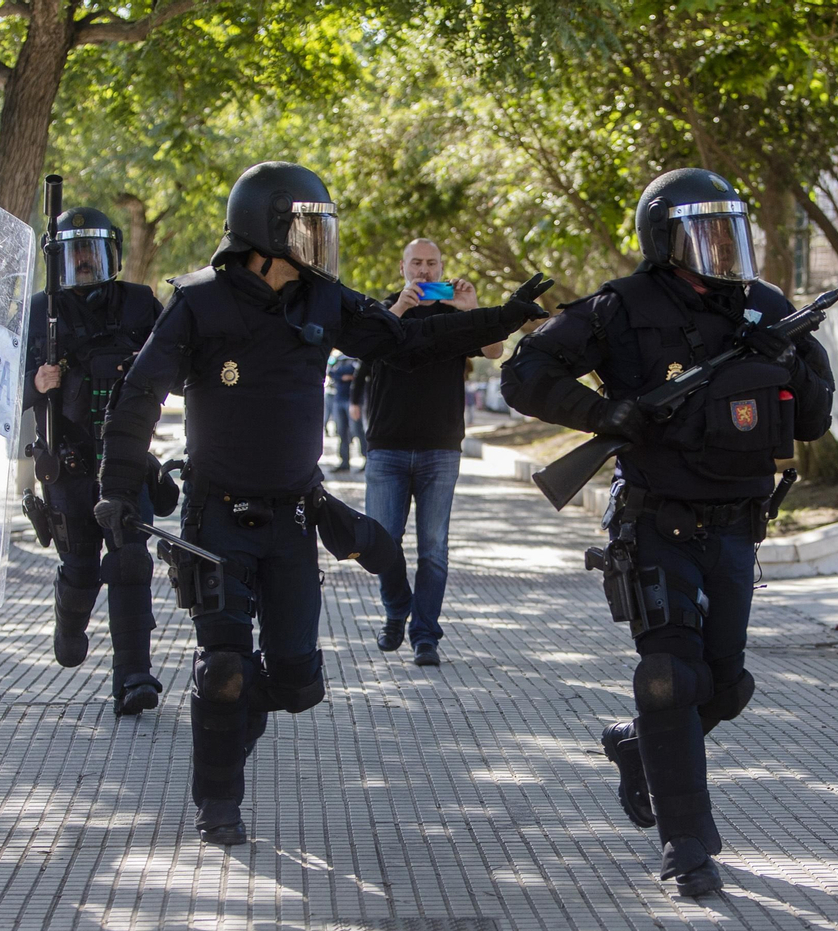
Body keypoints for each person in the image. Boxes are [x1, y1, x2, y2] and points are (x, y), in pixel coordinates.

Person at [94, 161, 553, 846]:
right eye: (306, 226)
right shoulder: (197, 302)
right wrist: (114, 487)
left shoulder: (323, 300)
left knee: (296, 683)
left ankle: (226, 724)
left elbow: (408, 339)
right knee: (221, 667)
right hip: (216, 519)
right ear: (264, 230)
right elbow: (139, 394)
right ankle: (217, 799)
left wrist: (506, 317)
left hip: (294, 518)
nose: (317, 240)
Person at [501, 168, 835, 897]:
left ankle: (636, 747)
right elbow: (523, 373)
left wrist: (787, 359)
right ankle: (686, 843)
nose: (722, 247)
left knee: (725, 684)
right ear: (664, 240)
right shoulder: (623, 307)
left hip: (736, 526)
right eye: (704, 233)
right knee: (667, 677)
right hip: (655, 518)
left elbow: (814, 418)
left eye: (731, 231)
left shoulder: (768, 308)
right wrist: (603, 416)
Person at [24, 207, 166, 716]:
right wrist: (36, 384)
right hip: (69, 465)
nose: (84, 260)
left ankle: (134, 677)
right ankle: (69, 616)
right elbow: (1, 385)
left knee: (129, 563)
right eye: (74, 250)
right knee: (83, 570)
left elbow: (176, 361)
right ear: (59, 257)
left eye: (93, 249)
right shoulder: (41, 310)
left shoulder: (139, 304)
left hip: (127, 461)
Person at [349, 239, 503, 667]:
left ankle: (425, 636)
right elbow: (362, 350)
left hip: (441, 447)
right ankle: (398, 609)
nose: (423, 270)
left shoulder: (454, 316)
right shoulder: (381, 312)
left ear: (441, 268)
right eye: (416, 263)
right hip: (387, 449)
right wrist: (398, 307)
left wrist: (471, 308)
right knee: (382, 543)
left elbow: (495, 351)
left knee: (433, 549)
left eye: (431, 264)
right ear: (402, 267)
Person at [325, 352, 363, 472]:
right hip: (338, 398)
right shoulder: (337, 358)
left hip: (352, 401)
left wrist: (341, 373)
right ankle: (344, 461)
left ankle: (367, 459)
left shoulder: (357, 357)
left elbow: (358, 374)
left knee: (357, 431)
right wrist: (342, 376)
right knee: (341, 432)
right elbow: (330, 372)